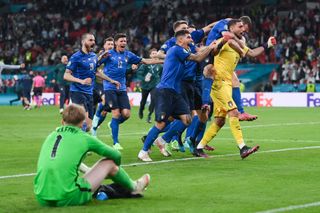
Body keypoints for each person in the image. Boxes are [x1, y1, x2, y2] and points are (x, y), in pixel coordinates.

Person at [34, 104, 150, 207]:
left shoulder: (51, 136)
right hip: (68, 196)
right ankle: (135, 187)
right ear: (82, 124)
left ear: (62, 122)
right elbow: (116, 155)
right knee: (110, 162)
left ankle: (115, 188)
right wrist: (113, 170)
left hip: (41, 197)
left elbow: (60, 161)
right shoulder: (84, 137)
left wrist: (90, 171)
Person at [137, 29, 225, 162]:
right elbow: (197, 57)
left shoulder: (183, 52)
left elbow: (197, 53)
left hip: (176, 93)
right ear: (180, 40)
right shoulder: (176, 49)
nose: (191, 39)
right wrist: (211, 47)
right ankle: (143, 151)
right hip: (165, 91)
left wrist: (210, 46)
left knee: (187, 119)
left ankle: (162, 139)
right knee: (160, 123)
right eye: (189, 37)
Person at [195, 19, 276, 159]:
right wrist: (222, 42)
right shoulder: (223, 39)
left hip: (227, 83)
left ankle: (199, 148)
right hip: (218, 82)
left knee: (220, 121)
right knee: (233, 112)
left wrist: (266, 45)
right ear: (231, 28)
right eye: (240, 27)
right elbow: (213, 51)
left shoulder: (239, 42)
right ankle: (243, 148)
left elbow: (252, 53)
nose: (243, 29)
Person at [100, 33, 163, 150]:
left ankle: (113, 124)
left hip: (122, 88)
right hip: (110, 88)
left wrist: (161, 61)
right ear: (116, 43)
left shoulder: (128, 55)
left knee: (126, 114)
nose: (124, 43)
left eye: (125, 41)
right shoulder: (109, 54)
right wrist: (100, 59)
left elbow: (145, 61)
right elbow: (96, 66)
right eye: (121, 41)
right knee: (116, 113)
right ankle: (115, 143)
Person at [64, 33, 120, 132]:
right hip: (77, 92)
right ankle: (76, 143)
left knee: (88, 127)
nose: (93, 42)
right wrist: (81, 81)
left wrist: (111, 81)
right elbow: (66, 75)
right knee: (84, 123)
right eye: (90, 40)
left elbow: (96, 72)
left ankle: (67, 129)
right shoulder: (76, 57)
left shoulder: (94, 56)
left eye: (94, 40)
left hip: (89, 93)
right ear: (83, 42)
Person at [205, 16, 258, 121]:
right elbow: (227, 36)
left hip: (217, 55)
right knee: (210, 78)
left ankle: (241, 112)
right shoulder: (225, 24)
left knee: (235, 81)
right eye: (243, 28)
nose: (243, 31)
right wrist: (241, 47)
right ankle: (205, 104)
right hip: (209, 55)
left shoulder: (230, 27)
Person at [91, 37, 115, 137]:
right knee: (103, 101)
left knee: (105, 111)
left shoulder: (116, 56)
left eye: (112, 44)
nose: (110, 46)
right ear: (104, 46)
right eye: (108, 44)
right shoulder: (99, 56)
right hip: (98, 84)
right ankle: (93, 123)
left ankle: (94, 128)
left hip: (110, 85)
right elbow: (92, 66)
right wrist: (100, 56)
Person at [136, 48, 163, 123]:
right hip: (145, 86)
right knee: (143, 101)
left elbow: (161, 75)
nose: (155, 55)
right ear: (150, 55)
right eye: (153, 53)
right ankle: (141, 110)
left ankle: (149, 114)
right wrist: (144, 78)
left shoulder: (160, 66)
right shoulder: (145, 64)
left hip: (155, 85)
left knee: (154, 99)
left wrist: (160, 82)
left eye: (156, 53)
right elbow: (139, 73)